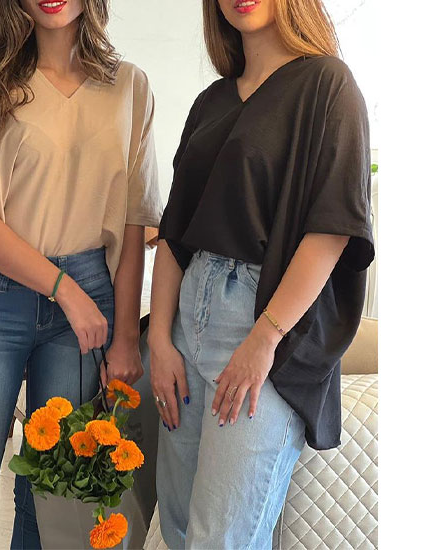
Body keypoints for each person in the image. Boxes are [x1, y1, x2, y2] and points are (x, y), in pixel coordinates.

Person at [0, 1, 162, 548]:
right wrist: (64, 290)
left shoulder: (130, 86)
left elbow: (135, 221)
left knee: (51, 514)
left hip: (92, 305)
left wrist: (127, 338)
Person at [148, 0, 374, 548]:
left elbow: (332, 229)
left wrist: (265, 338)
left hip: (260, 314)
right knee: (177, 525)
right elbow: (175, 232)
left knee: (220, 538)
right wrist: (159, 339)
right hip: (186, 311)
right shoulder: (212, 101)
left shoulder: (328, 84)